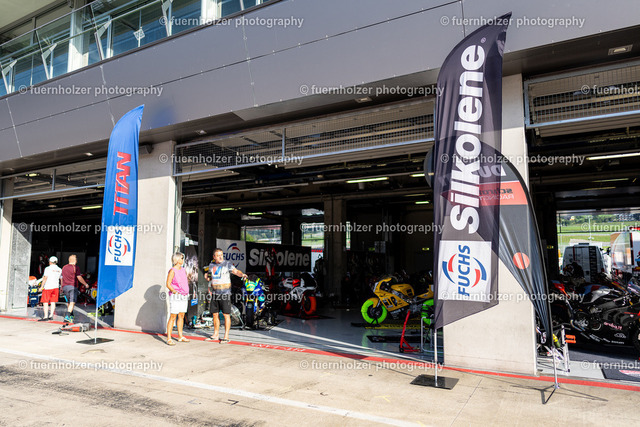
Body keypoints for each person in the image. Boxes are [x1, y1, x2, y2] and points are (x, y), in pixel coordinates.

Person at [205, 248, 247, 343]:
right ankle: (215, 335)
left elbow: (236, 271)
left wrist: (242, 274)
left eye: (221, 255)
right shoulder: (211, 265)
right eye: (218, 255)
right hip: (215, 293)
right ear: (214, 257)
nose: (220, 257)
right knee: (215, 314)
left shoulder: (227, 264)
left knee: (226, 314)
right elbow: (209, 277)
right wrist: (207, 276)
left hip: (225, 294)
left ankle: (226, 336)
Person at [165, 252, 190, 346]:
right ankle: (169, 338)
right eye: (182, 258)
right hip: (176, 296)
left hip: (184, 295)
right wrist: (175, 292)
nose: (183, 260)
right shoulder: (172, 271)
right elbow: (168, 284)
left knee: (181, 315)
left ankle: (180, 336)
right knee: (173, 316)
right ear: (177, 259)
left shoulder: (183, 270)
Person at [61, 254, 89, 323]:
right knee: (72, 302)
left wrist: (61, 287)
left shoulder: (64, 267)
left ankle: (71, 315)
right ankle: (67, 316)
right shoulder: (75, 267)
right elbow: (79, 277)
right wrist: (85, 284)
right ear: (75, 260)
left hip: (65, 287)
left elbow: (61, 278)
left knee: (69, 302)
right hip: (72, 287)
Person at [38, 256, 62, 321]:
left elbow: (45, 278)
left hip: (48, 287)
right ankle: (51, 315)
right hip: (56, 287)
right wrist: (61, 287)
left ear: (50, 262)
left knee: (45, 302)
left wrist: (41, 287)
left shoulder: (47, 268)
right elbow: (61, 279)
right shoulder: (59, 269)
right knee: (53, 302)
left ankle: (45, 316)